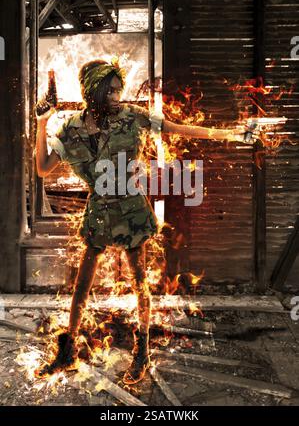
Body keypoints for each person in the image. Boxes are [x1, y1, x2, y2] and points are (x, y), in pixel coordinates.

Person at [35, 59, 258, 384]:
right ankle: (67, 353)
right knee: (82, 285)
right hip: (98, 210)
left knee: (139, 283)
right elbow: (43, 168)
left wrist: (231, 134)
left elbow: (178, 129)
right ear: (93, 89)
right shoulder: (70, 128)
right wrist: (42, 123)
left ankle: (141, 353)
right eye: (109, 89)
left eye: (118, 90)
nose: (115, 95)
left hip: (131, 209)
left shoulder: (132, 118)